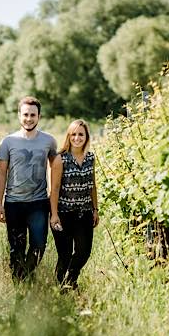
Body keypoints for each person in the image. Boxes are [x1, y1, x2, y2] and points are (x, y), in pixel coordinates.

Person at [0, 96, 58, 281]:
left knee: (39, 245)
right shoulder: (8, 142)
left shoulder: (49, 141)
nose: (28, 119)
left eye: (33, 115)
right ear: (19, 115)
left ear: (39, 116)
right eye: (25, 115)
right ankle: (19, 286)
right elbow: (1, 174)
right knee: (17, 247)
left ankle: (25, 275)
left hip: (38, 203)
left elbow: (56, 169)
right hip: (14, 203)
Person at [49, 119, 99, 289]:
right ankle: (63, 286)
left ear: (86, 137)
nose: (77, 138)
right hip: (63, 213)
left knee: (84, 252)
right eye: (73, 134)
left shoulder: (91, 158)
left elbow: (92, 184)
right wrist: (54, 214)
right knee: (64, 254)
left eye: (81, 134)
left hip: (84, 212)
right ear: (68, 137)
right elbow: (54, 189)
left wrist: (95, 209)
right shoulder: (60, 159)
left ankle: (70, 278)